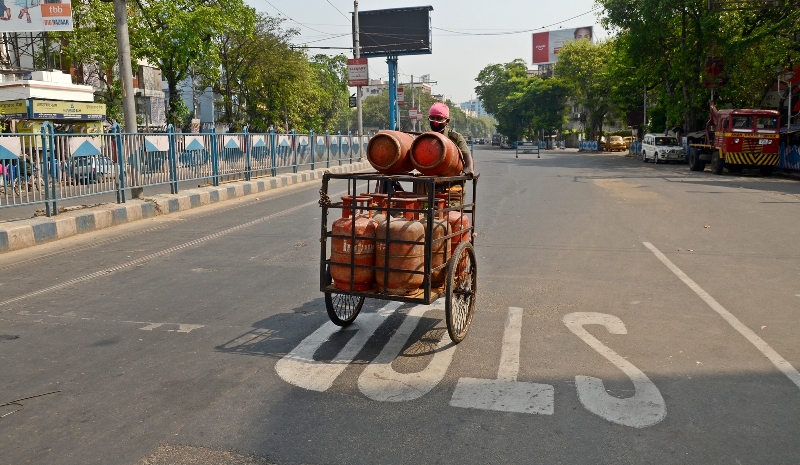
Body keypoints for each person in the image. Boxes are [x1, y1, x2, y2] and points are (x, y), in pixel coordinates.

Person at [427, 102, 475, 176]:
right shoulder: (425, 138)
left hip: (452, 178)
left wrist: (469, 169)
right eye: (432, 118)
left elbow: (467, 156)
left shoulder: (455, 137)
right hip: (430, 177)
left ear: (447, 121)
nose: (435, 121)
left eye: (439, 118)